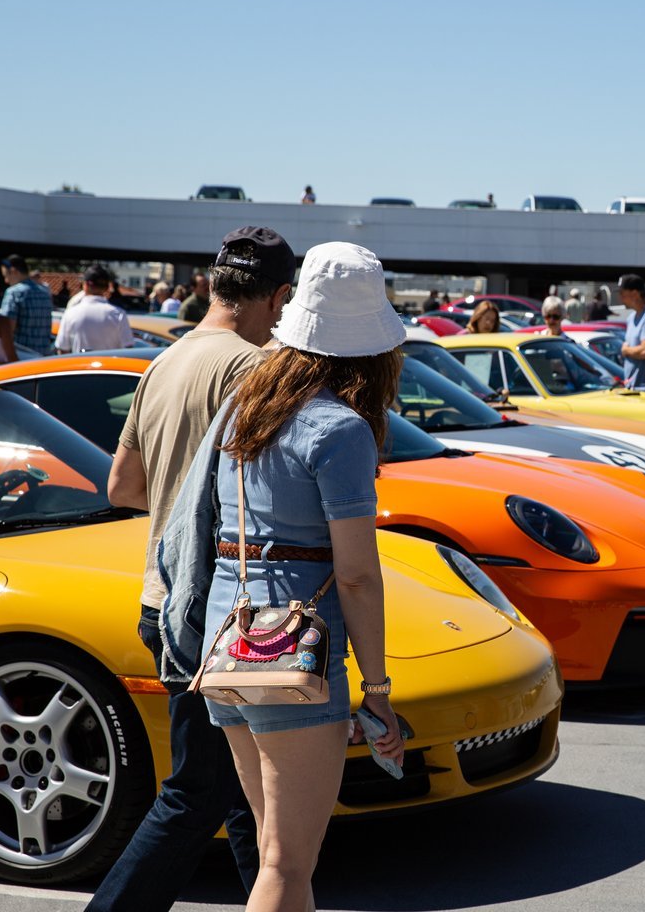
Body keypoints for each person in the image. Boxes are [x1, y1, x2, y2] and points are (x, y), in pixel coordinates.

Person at [193, 241, 405, 912]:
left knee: (278, 857)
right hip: (297, 656)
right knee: (287, 864)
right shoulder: (340, 430)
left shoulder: (242, 410)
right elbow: (358, 578)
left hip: (229, 647)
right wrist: (377, 689)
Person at [89, 227, 295, 912]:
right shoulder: (251, 367)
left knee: (243, 793)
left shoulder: (164, 362)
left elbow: (121, 484)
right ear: (279, 297)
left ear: (211, 282)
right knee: (198, 791)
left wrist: (179, 509)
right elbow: (257, 496)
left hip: (163, 597)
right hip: (215, 605)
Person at [56, 264, 133, 353]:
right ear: (107, 287)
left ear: (85, 285)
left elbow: (63, 349)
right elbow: (128, 348)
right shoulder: (118, 314)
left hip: (79, 365)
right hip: (110, 366)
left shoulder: (71, 313)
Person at [0, 254, 55, 358]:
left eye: (6, 276)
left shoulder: (13, 293)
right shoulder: (45, 293)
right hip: (45, 357)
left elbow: (6, 330)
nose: (6, 281)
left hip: (22, 358)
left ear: (14, 271)